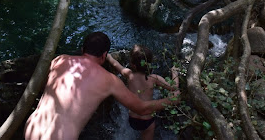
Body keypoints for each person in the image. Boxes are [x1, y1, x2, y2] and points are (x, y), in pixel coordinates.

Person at [24, 32, 179, 140]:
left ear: (83, 50)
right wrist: (172, 101)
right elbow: (142, 108)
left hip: (31, 128)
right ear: (104, 55)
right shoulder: (109, 79)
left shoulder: (59, 60)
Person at [106, 45, 179, 140]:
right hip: (147, 120)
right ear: (150, 64)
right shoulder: (153, 78)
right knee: (148, 132)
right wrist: (174, 72)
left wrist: (109, 57)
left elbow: (115, 64)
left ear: (132, 64)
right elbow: (173, 87)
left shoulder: (129, 75)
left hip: (132, 119)